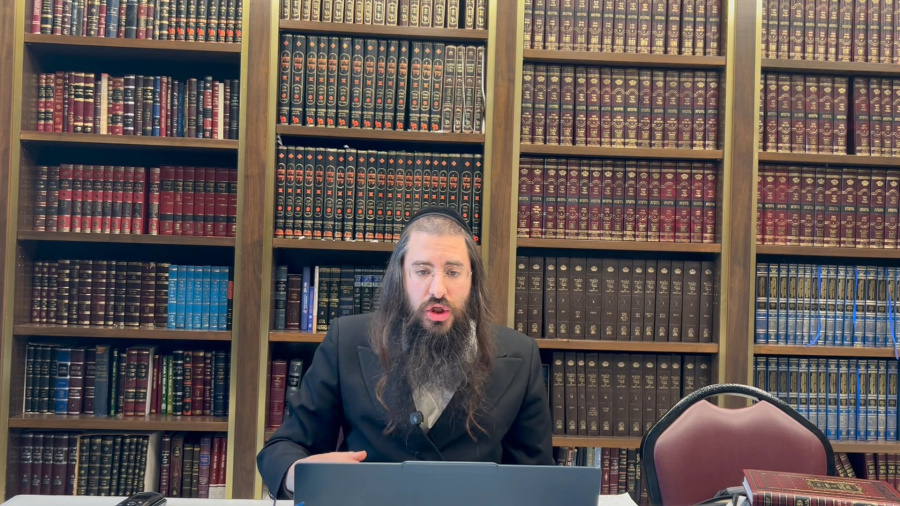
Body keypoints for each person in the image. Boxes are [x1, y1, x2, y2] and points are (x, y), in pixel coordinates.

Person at [256, 206, 555, 499]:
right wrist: (299, 474)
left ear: (472, 279)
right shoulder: (346, 340)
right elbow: (283, 448)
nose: (438, 290)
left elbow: (538, 480)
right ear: (400, 276)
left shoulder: (520, 355)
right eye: (422, 271)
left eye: (453, 272)